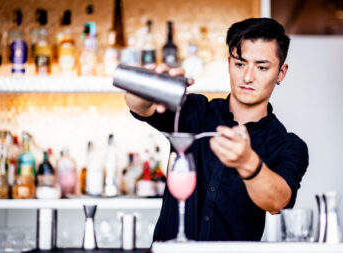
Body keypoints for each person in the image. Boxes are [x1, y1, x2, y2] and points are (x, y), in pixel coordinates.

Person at [125, 18, 309, 241]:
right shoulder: (194, 111)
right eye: (240, 64)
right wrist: (149, 86)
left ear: (281, 73)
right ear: (229, 63)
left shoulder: (287, 144)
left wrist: (248, 163)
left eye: (262, 67)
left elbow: (277, 201)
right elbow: (138, 105)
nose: (248, 77)